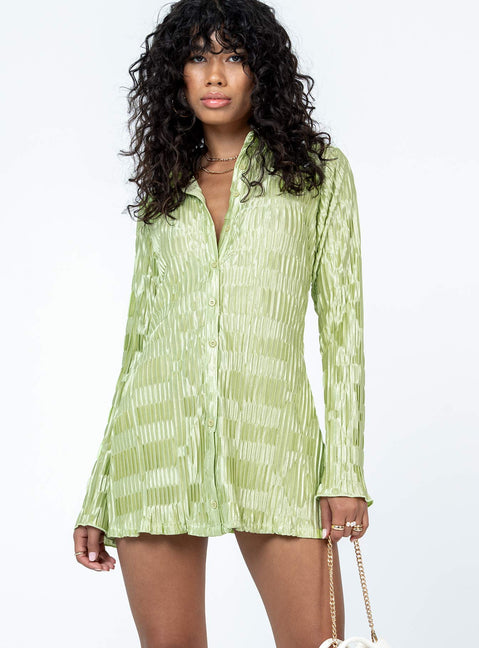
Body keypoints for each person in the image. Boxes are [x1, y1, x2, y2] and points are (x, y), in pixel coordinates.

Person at [72, 0, 374, 645]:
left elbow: (343, 332)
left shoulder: (317, 175)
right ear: (175, 76)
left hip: (276, 448)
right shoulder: (163, 186)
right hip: (155, 451)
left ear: (262, 71)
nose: (214, 75)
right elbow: (139, 340)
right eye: (197, 58)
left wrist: (344, 473)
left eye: (234, 57)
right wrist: (99, 492)